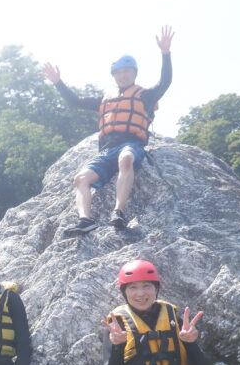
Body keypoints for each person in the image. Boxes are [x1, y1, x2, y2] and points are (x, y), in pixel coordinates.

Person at [43, 26, 174, 234]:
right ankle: (86, 220)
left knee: (126, 159)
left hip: (131, 144)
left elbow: (165, 82)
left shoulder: (145, 95)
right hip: (106, 151)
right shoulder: (105, 98)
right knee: (80, 179)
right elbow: (75, 101)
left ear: (134, 73)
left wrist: (165, 54)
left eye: (126, 71)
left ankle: (118, 212)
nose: (122, 76)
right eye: (118, 72)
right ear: (114, 75)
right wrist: (58, 82)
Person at [101, 259, 208, 365]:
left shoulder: (175, 319)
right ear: (124, 292)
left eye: (146, 286)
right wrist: (118, 347)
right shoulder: (117, 325)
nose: (140, 294)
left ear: (156, 289)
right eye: (133, 287)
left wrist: (191, 343)